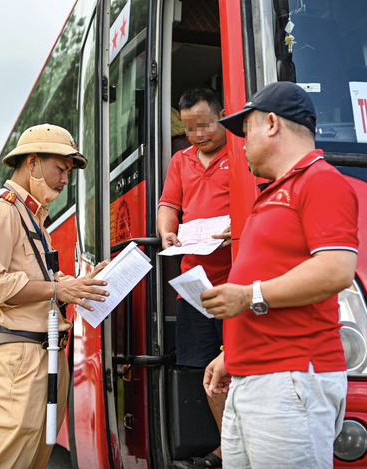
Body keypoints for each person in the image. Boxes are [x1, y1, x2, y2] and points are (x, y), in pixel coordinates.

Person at [201, 81, 359, 468]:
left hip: (289, 381)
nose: (240, 143)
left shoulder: (319, 180)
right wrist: (231, 357)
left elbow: (337, 269)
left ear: (272, 123)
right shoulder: (275, 191)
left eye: (246, 130)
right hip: (256, 379)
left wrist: (247, 296)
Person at [0, 124, 110, 469]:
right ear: (32, 163)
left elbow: (40, 281)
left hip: (42, 355)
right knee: (11, 460)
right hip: (21, 357)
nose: (65, 180)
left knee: (33, 460)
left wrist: (78, 284)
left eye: (68, 172)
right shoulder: (2, 210)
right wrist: (60, 288)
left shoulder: (32, 217)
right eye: (60, 169)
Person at [157, 86, 232, 468]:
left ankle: (242, 447)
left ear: (223, 114)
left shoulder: (241, 152)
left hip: (235, 283)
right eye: (189, 130)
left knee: (241, 367)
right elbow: (169, 204)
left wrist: (238, 230)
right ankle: (228, 446)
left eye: (205, 125)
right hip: (195, 286)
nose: (199, 135)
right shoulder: (180, 161)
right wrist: (167, 230)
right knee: (205, 371)